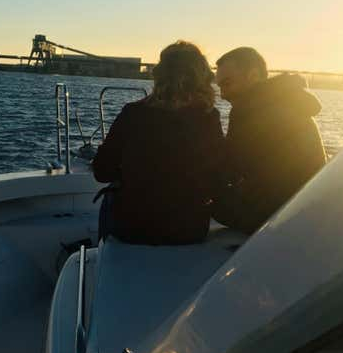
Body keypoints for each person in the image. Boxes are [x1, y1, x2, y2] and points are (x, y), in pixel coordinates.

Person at [92, 41, 224, 245]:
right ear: (202, 76)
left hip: (133, 228)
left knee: (110, 197)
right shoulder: (209, 116)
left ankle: (103, 254)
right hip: (188, 229)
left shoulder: (133, 113)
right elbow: (216, 174)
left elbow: (102, 172)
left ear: (158, 74)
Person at [213, 47, 326, 233]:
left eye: (227, 84)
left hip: (274, 217)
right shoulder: (291, 101)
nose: (223, 94)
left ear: (254, 76)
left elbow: (228, 166)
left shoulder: (247, 109)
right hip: (306, 212)